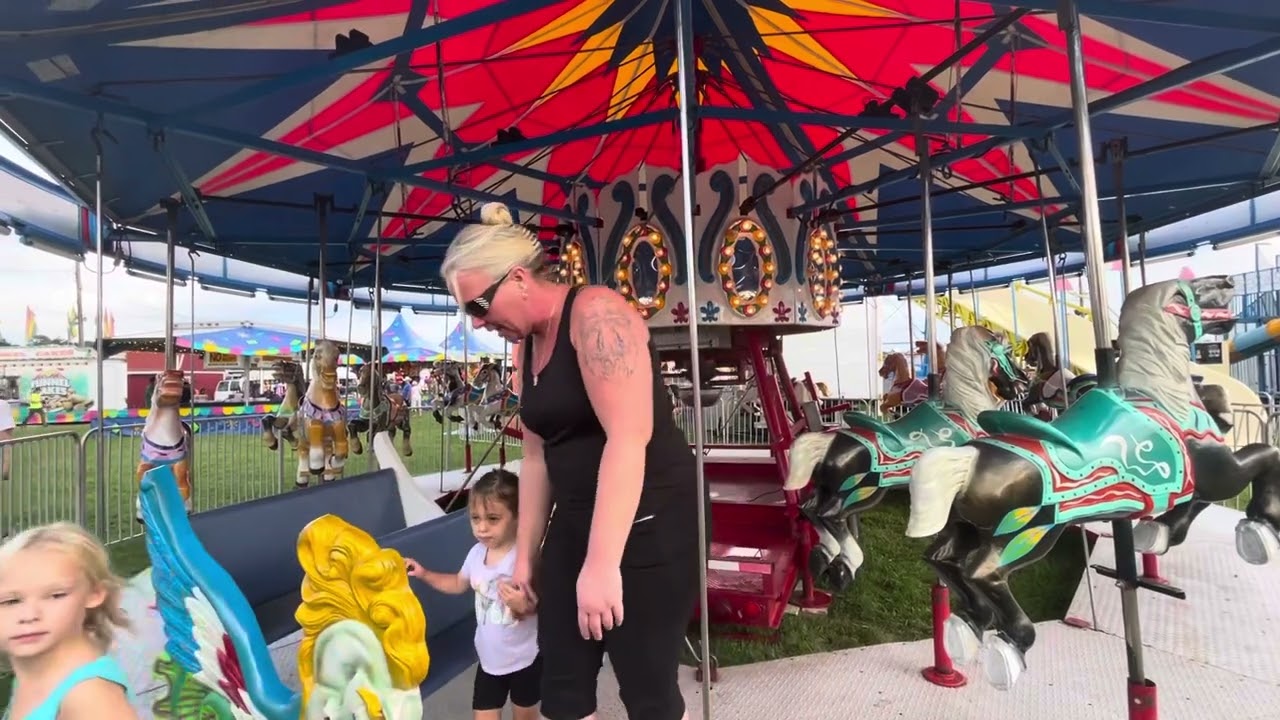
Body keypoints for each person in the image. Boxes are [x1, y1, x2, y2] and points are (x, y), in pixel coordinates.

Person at [440, 202, 705, 720]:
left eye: (478, 306)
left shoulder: (595, 313)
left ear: (517, 279)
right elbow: (536, 458)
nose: (479, 323)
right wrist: (526, 557)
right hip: (577, 516)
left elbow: (628, 437)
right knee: (559, 678)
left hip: (651, 517)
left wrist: (603, 565)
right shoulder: (524, 346)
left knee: (646, 684)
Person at [405, 469, 540, 720]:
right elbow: (458, 583)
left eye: (492, 518)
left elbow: (540, 605)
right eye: (475, 518)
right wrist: (424, 574)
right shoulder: (477, 554)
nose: (482, 528)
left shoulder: (523, 558)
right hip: (489, 661)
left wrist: (523, 606)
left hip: (524, 661)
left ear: (518, 517)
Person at [0, 522, 137, 720]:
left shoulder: (89, 696)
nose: (29, 615)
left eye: (56, 595)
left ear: (94, 594)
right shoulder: (36, 670)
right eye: (11, 601)